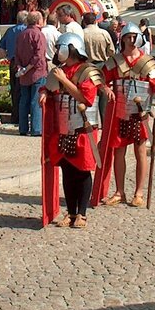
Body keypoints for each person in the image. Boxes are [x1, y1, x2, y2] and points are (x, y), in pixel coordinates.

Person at [41, 32, 109, 228]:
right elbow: (50, 87)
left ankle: (82, 213)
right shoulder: (59, 71)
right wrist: (45, 92)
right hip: (63, 128)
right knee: (67, 170)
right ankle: (70, 213)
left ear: (70, 49)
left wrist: (64, 80)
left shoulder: (89, 71)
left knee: (82, 170)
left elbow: (85, 98)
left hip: (83, 128)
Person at [101, 22, 155, 208]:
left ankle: (138, 193)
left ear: (139, 38)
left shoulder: (147, 63)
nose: (131, 40)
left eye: (134, 37)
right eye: (128, 37)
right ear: (122, 39)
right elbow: (100, 79)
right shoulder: (115, 61)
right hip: (121, 113)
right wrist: (106, 88)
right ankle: (119, 192)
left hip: (140, 114)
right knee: (119, 152)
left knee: (140, 152)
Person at [15, 11, 48, 136]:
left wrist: (20, 68)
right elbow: (39, 55)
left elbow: (16, 54)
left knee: (24, 100)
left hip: (23, 72)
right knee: (36, 100)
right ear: (38, 21)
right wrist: (28, 67)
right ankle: (36, 128)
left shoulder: (21, 35)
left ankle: (23, 128)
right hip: (37, 72)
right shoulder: (38, 35)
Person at [0, 9, 28, 126]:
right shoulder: (27, 31)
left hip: (13, 63)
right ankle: (24, 118)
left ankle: (15, 116)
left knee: (15, 91)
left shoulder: (10, 31)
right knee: (25, 91)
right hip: (25, 63)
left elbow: (2, 47)